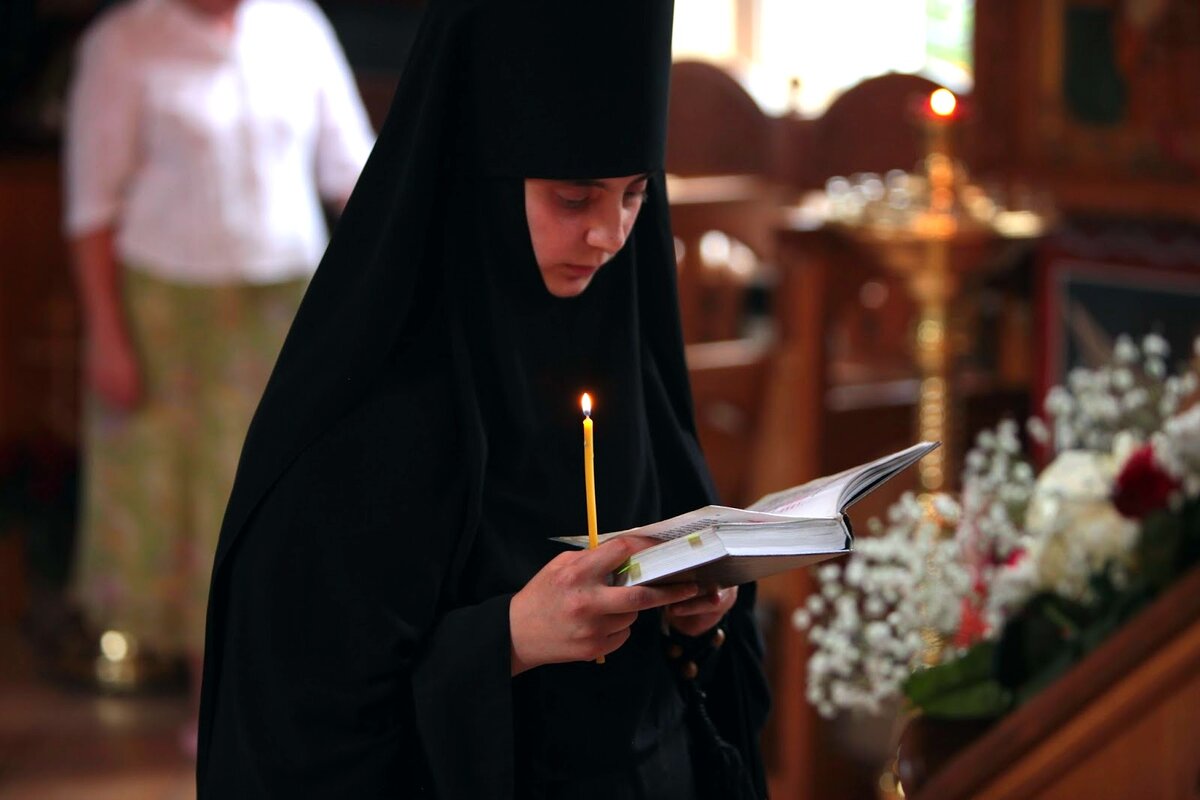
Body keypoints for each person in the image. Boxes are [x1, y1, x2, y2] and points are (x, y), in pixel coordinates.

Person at [198, 0, 770, 796]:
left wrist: (701, 614)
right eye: (576, 199)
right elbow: (299, 726)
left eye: (636, 195)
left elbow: (699, 675)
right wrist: (506, 639)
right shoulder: (368, 417)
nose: (611, 234)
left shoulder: (623, 358)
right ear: (482, 180)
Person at [62, 0, 373, 741]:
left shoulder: (298, 27)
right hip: (164, 311)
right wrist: (106, 335)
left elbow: (355, 171)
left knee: (266, 496)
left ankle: (258, 692)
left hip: (282, 306)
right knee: (181, 506)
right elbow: (90, 205)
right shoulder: (124, 40)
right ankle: (215, 706)